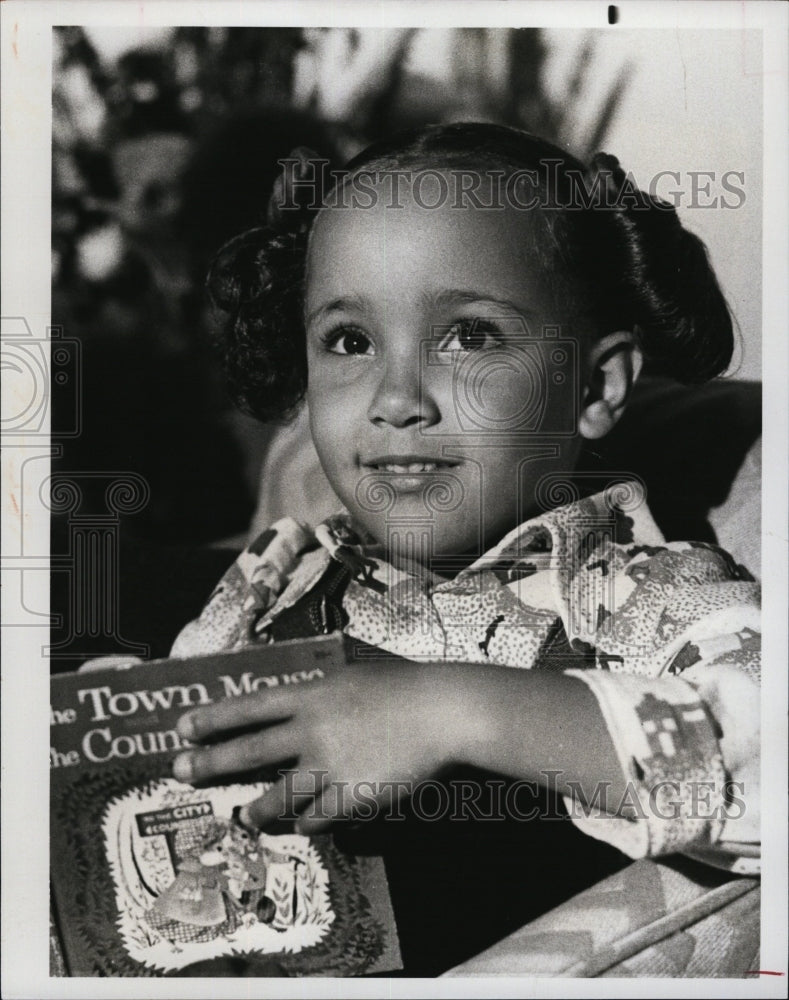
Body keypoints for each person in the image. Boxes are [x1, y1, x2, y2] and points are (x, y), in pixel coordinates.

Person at [166, 123, 759, 971]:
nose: (396, 397)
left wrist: (453, 711)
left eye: (469, 336)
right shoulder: (278, 582)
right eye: (349, 341)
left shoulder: (642, 599)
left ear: (593, 386)